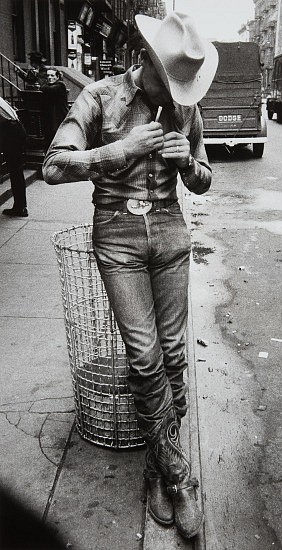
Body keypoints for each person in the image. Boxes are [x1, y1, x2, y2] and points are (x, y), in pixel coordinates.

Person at [43, 12, 218, 539]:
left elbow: (205, 180)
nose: (178, 94)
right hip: (117, 232)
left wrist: (188, 163)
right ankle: (179, 476)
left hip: (170, 231)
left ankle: (160, 465)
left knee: (173, 354)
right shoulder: (98, 97)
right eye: (171, 81)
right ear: (146, 61)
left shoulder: (186, 109)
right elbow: (53, 164)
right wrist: (118, 151)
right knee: (143, 356)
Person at [0, 97, 28, 217]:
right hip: (15, 129)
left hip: (10, 131)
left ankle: (20, 207)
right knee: (16, 171)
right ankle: (20, 207)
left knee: (15, 170)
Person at [40, 67, 69, 150]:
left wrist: (42, 86)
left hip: (59, 117)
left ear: (57, 77)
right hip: (50, 118)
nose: (49, 77)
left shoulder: (60, 85)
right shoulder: (50, 86)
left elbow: (47, 89)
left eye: (52, 75)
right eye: (48, 75)